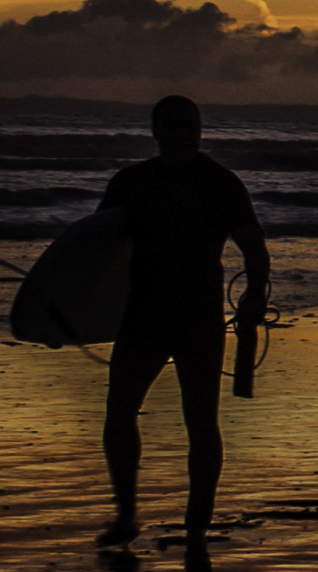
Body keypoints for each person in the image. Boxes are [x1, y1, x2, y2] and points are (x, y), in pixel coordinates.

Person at [97, 94, 267, 545]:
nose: (180, 133)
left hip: (199, 320)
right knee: (118, 415)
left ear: (200, 129)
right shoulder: (130, 183)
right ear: (154, 132)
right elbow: (97, 251)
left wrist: (254, 295)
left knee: (201, 422)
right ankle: (126, 515)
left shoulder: (221, 183)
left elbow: (254, 246)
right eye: (170, 126)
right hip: (142, 317)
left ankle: (198, 523)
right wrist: (72, 312)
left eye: (188, 125)